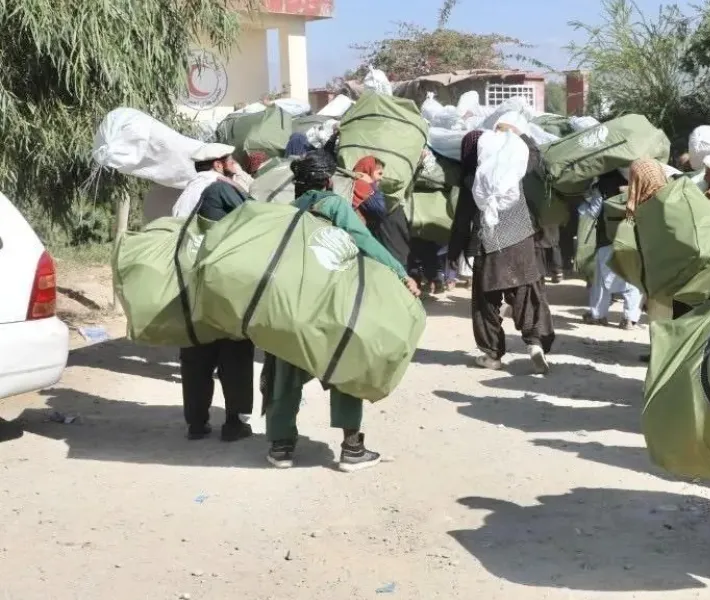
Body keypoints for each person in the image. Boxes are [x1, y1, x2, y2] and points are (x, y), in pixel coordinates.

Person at [264, 150, 420, 471]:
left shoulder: (289, 212)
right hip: (330, 303)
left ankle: (281, 447)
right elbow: (363, 240)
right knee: (346, 366)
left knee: (285, 374)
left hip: (292, 304)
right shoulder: (333, 205)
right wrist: (400, 272)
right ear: (327, 180)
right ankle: (351, 449)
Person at [449, 122, 555, 374]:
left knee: (485, 302)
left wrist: (454, 253)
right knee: (527, 294)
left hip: (489, 245)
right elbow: (536, 156)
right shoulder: (515, 171)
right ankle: (534, 343)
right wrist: (518, 134)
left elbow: (463, 220)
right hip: (522, 242)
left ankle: (492, 354)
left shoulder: (472, 180)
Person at [170, 143, 256, 442]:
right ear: (219, 164)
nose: (234, 164)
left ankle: (196, 423)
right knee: (234, 353)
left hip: (189, 284)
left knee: (196, 355)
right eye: (230, 160)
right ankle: (234, 423)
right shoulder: (220, 189)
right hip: (223, 282)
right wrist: (239, 177)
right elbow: (254, 217)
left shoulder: (185, 195)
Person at [581, 169, 645, 329]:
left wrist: (584, 205)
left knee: (602, 279)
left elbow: (593, 212)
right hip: (635, 238)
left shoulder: (603, 185)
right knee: (634, 278)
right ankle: (629, 319)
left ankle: (598, 315)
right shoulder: (642, 181)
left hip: (607, 237)